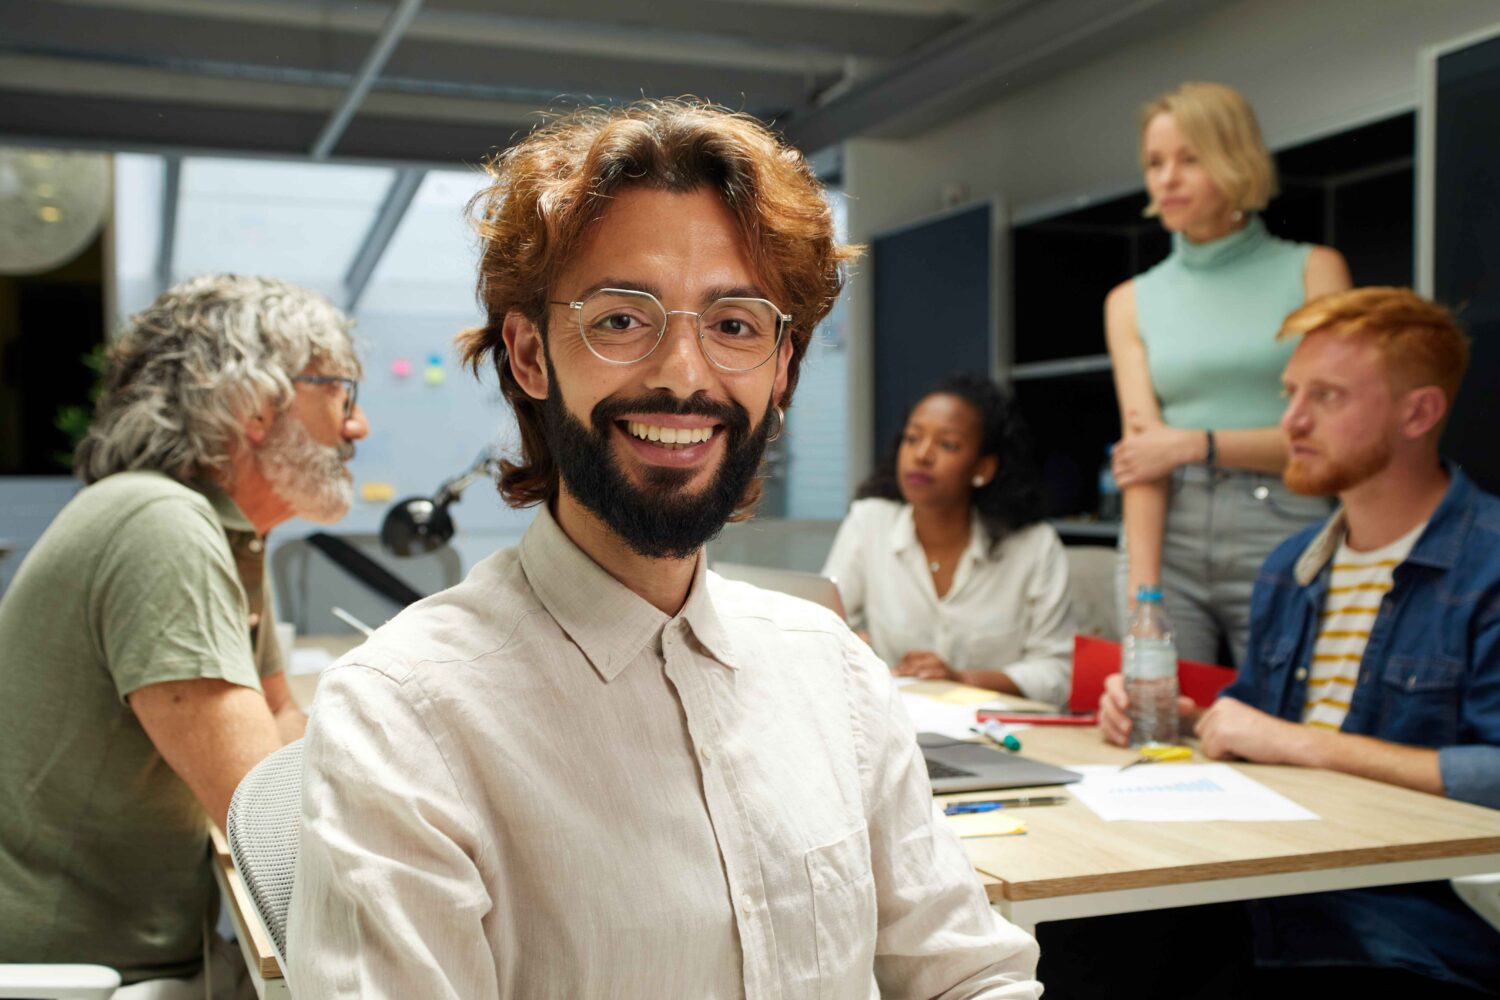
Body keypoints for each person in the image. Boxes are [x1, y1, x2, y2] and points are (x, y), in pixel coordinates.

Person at [287, 99, 1041, 998]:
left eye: (734, 326)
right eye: (619, 319)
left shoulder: (834, 677)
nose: (684, 376)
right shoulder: (405, 717)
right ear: (530, 356)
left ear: (784, 369)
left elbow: (967, 973)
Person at [1102, 287, 1500, 996]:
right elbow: (1260, 721)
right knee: (1080, 938)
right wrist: (1177, 716)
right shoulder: (1293, 567)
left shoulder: (1490, 564)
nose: (1291, 421)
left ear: (1420, 412)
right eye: (1291, 393)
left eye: (1328, 397)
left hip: (1422, 914)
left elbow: (1492, 774)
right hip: (1288, 877)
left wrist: (1303, 743)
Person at [0, 274, 368, 994]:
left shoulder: (227, 534)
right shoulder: (161, 526)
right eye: (340, 392)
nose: (357, 427)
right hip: (86, 978)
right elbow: (264, 815)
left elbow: (280, 724)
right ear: (256, 407)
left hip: (136, 958)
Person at [1105, 81, 1352, 666]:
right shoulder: (1129, 301)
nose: (1166, 179)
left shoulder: (1315, 272)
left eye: (1189, 159)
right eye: (1155, 163)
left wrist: (1196, 443)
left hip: (1289, 527)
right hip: (1167, 535)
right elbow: (1144, 459)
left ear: (1236, 158)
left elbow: (1336, 441)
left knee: (1283, 729)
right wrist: (1145, 597)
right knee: (1159, 720)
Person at [822, 374, 1074, 705]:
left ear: (983, 468)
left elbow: (1058, 673)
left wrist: (962, 679)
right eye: (912, 438)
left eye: (947, 444)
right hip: (897, 723)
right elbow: (823, 623)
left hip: (998, 735)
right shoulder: (869, 521)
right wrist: (852, 644)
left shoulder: (1035, 546)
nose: (922, 455)